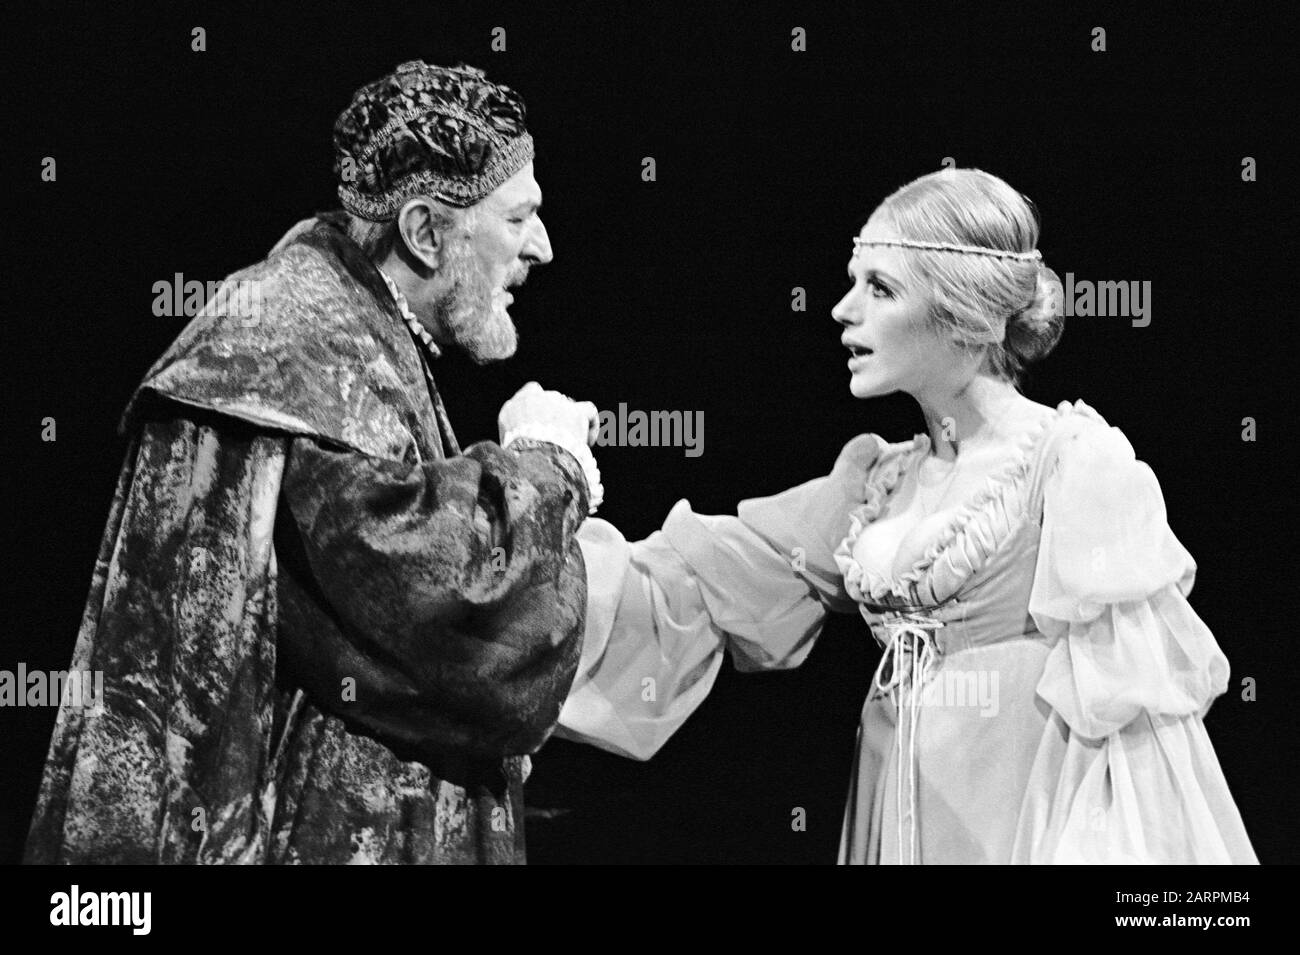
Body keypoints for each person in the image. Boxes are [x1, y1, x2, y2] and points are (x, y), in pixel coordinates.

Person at [559, 168, 1258, 864]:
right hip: (891, 824)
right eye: (852, 281)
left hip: (1018, 831)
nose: (841, 309)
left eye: (881, 288)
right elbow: (697, 582)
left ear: (964, 314)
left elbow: (1138, 747)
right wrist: (537, 518)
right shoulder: (877, 483)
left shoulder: (1073, 466)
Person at [25, 61, 607, 864]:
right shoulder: (301, 349)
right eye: (518, 217)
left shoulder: (348, 322)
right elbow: (463, 620)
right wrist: (548, 465)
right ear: (426, 230)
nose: (542, 246)